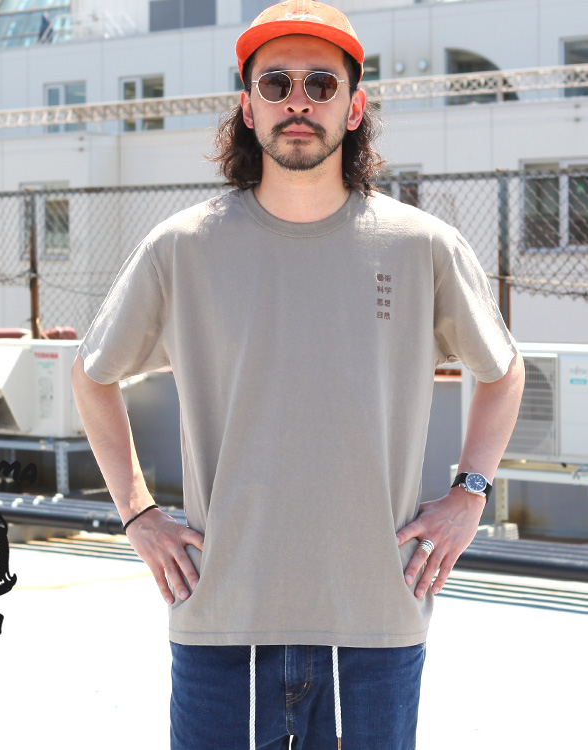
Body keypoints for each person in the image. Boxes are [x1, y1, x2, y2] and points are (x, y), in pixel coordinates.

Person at [71, 2, 525, 747]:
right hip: (220, 619)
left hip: (376, 624)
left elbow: (503, 372)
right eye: (276, 83)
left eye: (321, 83)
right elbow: (92, 374)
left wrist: (470, 493)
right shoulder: (183, 247)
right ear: (248, 107)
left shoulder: (421, 246)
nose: (299, 101)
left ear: (355, 108)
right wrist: (138, 513)